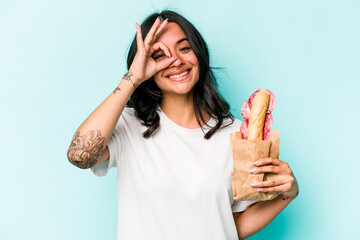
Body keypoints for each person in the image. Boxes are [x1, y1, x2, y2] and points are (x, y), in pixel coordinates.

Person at [67, 10, 299, 240]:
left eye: (184, 48)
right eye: (159, 55)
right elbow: (79, 154)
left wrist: (287, 194)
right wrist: (133, 78)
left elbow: (230, 224)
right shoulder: (129, 125)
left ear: (199, 53)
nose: (176, 60)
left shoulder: (239, 135)